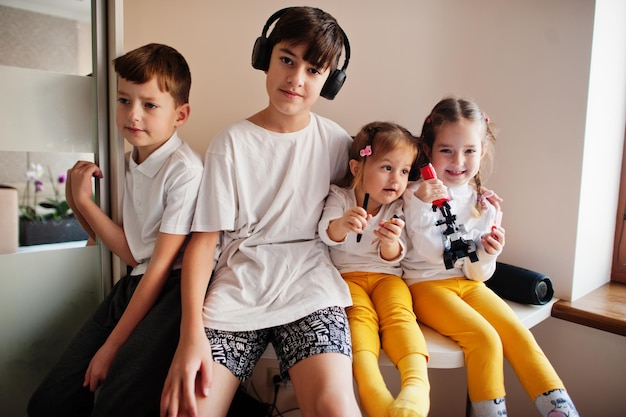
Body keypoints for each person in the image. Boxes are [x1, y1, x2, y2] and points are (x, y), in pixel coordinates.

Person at [160, 7, 362, 417]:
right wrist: (190, 335)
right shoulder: (231, 143)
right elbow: (205, 241)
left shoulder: (338, 143)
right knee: (188, 411)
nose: (296, 79)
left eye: (313, 70)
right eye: (287, 60)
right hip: (237, 291)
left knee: (336, 407)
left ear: (330, 82)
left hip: (310, 290)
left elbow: (388, 181)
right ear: (265, 58)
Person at [27, 43, 204, 417]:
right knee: (49, 403)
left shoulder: (184, 170)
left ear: (180, 114)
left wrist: (110, 347)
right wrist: (80, 201)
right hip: (132, 284)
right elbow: (128, 250)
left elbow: (158, 266)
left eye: (150, 104)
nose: (132, 115)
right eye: (124, 100)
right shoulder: (122, 163)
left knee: (113, 404)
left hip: (170, 292)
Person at [402, 96, 579, 417]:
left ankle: (561, 410)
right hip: (425, 286)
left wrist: (487, 252)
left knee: (516, 334)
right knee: (485, 339)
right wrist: (420, 203)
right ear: (428, 151)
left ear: (482, 152)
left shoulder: (482, 202)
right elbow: (430, 254)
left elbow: (478, 275)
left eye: (469, 150)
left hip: (468, 286)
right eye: (447, 150)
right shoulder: (417, 193)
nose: (459, 160)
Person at [318, 122, 430, 417]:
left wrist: (390, 243)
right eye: (386, 168)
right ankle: (373, 393)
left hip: (387, 277)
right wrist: (343, 224)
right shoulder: (340, 197)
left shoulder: (397, 207)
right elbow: (327, 233)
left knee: (400, 316)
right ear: (357, 168)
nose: (396, 179)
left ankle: (417, 386)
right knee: (359, 323)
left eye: (404, 171)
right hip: (346, 278)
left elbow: (395, 256)